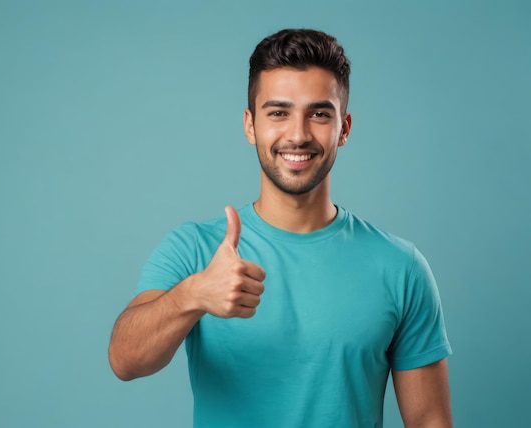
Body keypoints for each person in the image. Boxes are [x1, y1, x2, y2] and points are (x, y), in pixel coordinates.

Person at [109, 28, 453, 427]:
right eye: (278, 112)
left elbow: (430, 420)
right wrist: (193, 294)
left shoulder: (401, 267)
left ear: (344, 129)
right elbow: (124, 359)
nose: (298, 134)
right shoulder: (195, 250)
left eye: (319, 114)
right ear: (250, 124)